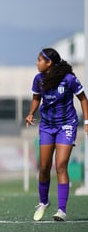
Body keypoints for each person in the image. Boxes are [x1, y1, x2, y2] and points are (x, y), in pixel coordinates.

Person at [26, 48, 88, 222]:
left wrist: (87, 122)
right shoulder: (38, 79)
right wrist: (31, 113)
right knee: (44, 168)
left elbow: (83, 98)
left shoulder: (69, 79)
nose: (37, 63)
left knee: (61, 165)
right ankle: (43, 202)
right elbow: (36, 98)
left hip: (66, 125)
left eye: (39, 60)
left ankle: (61, 210)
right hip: (46, 126)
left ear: (49, 63)